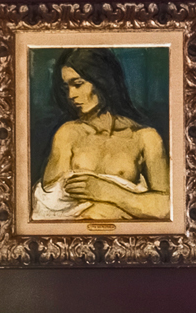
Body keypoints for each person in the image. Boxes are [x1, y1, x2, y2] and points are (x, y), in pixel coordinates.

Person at [32, 53, 172, 225]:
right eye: (66, 87)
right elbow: (47, 205)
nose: (71, 95)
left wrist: (107, 192)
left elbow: (166, 206)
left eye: (78, 84)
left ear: (102, 81)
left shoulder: (145, 137)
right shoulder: (68, 134)